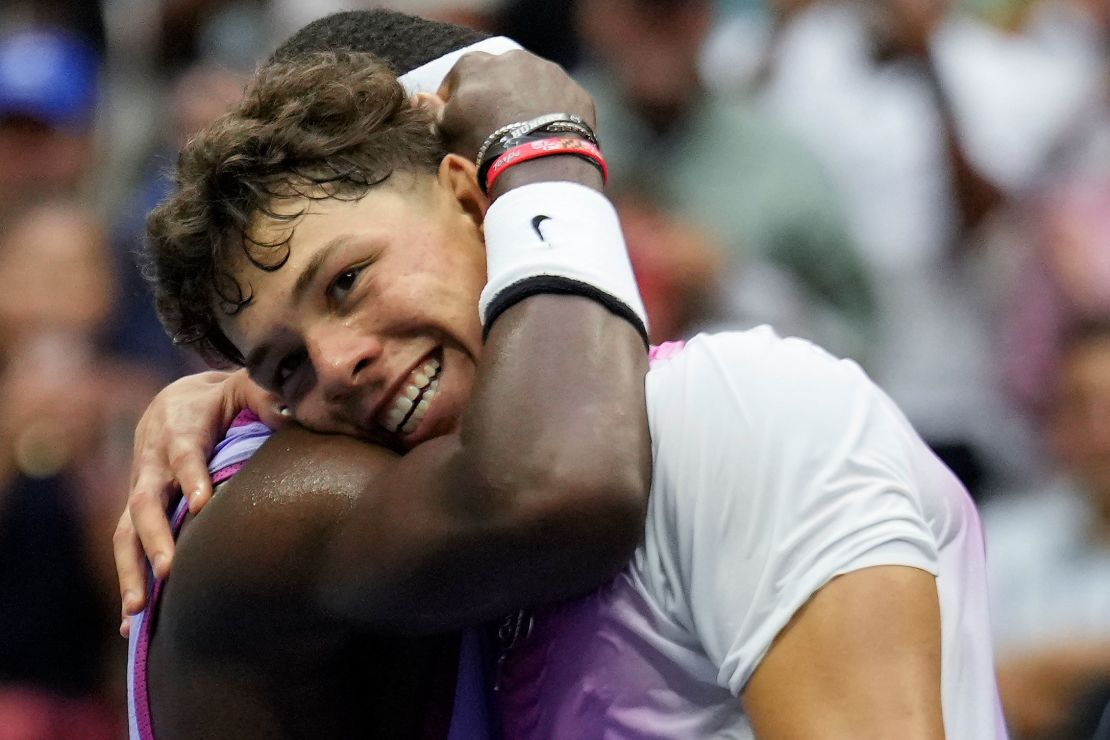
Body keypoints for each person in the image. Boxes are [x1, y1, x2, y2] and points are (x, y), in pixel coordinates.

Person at [117, 9, 1004, 738]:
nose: (335, 366)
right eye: (283, 366)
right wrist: (546, 157)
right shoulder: (306, 488)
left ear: (474, 195)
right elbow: (546, 482)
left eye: (349, 280)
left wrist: (535, 166)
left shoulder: (737, 403)